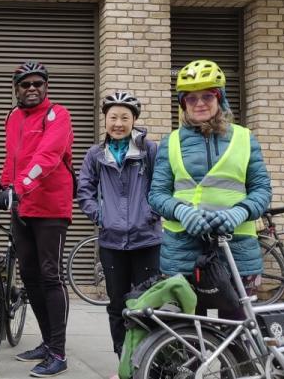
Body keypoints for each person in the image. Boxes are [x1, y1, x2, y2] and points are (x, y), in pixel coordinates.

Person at [148, 59, 271, 321]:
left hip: (236, 247)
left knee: (240, 328)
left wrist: (239, 212)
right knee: (186, 332)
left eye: (207, 96)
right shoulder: (170, 143)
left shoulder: (244, 138)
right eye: (191, 99)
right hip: (183, 248)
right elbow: (156, 195)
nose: (200, 103)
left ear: (220, 98)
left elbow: (262, 190)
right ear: (183, 105)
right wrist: (181, 211)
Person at [0, 60, 73, 377]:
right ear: (16, 89)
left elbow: (49, 156)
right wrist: (3, 188)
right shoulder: (13, 116)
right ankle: (46, 342)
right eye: (25, 84)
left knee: (49, 275)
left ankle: (58, 352)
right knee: (29, 276)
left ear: (46, 87)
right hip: (22, 208)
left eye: (37, 83)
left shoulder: (59, 114)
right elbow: (12, 159)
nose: (31, 89)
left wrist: (21, 186)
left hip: (51, 207)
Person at [76, 92, 160, 368]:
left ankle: (150, 363)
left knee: (148, 306)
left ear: (134, 120)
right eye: (113, 117)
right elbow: (84, 190)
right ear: (105, 120)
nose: (118, 123)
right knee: (117, 306)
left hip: (146, 240)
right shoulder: (96, 154)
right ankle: (124, 363)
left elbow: (163, 186)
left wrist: (151, 212)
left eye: (125, 117)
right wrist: (99, 214)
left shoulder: (150, 150)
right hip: (112, 243)